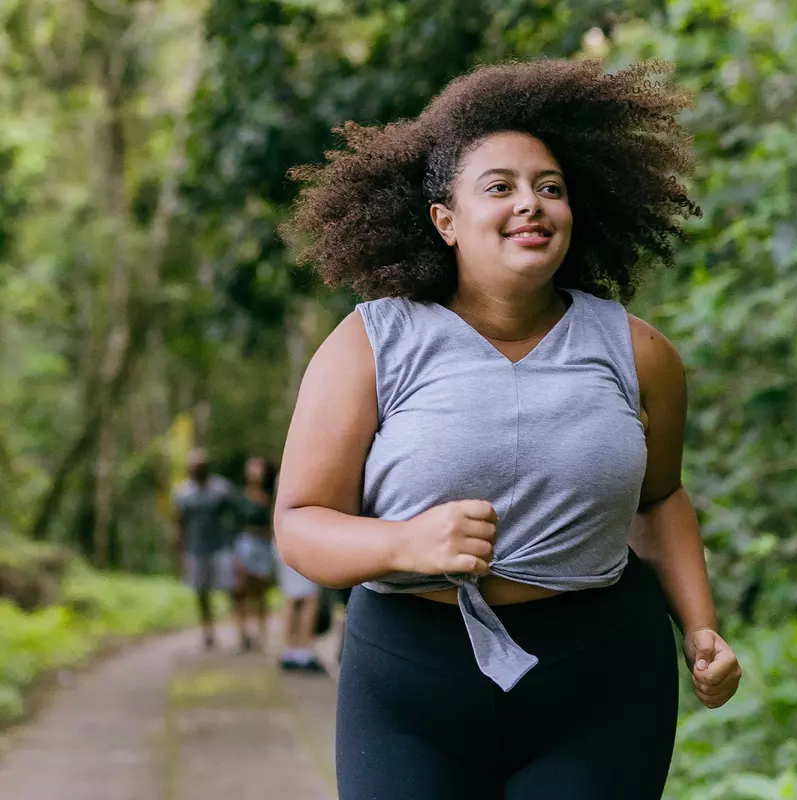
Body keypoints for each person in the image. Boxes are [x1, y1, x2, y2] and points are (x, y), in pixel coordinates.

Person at [274, 60, 743, 799]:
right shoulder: (371, 343)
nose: (531, 203)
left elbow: (659, 500)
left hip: (601, 683)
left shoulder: (640, 352)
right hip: (410, 683)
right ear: (445, 221)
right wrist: (404, 541)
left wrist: (702, 627)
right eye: (501, 187)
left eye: (549, 188)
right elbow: (300, 522)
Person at [172, 448, 238, 650]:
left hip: (221, 548)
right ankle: (208, 632)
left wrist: (235, 545)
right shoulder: (182, 493)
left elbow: (235, 516)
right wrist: (181, 552)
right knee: (201, 593)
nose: (197, 470)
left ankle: (240, 629)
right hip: (195, 550)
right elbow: (179, 524)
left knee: (231, 589)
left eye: (200, 466)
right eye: (193, 466)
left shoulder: (221, 488)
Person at [272, 470, 326, 673]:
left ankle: (292, 649)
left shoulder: (285, 473)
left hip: (286, 538)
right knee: (307, 599)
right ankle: (302, 650)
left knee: (294, 598)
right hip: (300, 539)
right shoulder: (297, 473)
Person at [232, 456, 277, 652]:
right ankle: (243, 634)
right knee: (241, 591)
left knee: (260, 593)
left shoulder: (270, 496)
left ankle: (261, 635)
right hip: (244, 544)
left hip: (264, 544)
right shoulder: (240, 496)